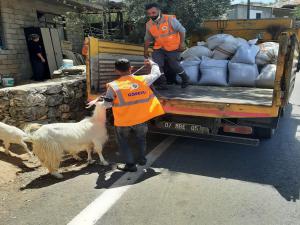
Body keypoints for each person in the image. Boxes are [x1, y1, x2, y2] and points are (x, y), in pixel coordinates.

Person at [88, 58, 165, 172]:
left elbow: (107, 105)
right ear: (131, 68)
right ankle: (142, 159)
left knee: (123, 143)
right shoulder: (143, 80)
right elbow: (156, 73)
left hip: (123, 122)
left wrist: (97, 102)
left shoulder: (113, 86)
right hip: (141, 119)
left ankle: (130, 165)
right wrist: (152, 62)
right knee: (141, 139)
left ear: (116, 71)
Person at [144, 2, 189, 89]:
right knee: (156, 65)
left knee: (174, 66)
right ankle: (162, 84)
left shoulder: (169, 19)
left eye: (153, 13)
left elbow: (182, 30)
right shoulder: (149, 24)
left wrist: (182, 43)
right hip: (159, 48)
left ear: (159, 11)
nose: (151, 15)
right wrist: (145, 51)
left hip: (173, 47)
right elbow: (147, 39)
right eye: (149, 13)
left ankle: (185, 79)